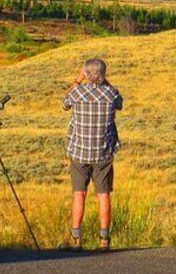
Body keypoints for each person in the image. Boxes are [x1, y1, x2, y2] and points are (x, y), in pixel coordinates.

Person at [60, 59, 123, 252]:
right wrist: (105, 81)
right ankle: (104, 239)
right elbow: (119, 103)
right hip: (103, 153)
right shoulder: (111, 94)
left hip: (79, 152)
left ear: (86, 73)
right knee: (103, 194)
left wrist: (78, 80)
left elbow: (64, 103)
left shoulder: (77, 93)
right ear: (104, 74)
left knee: (79, 194)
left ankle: (76, 238)